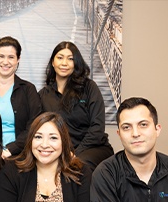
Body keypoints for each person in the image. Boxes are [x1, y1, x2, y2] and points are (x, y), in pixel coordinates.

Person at [39, 41, 113, 171]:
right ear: (53, 62)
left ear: (76, 63)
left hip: (92, 148)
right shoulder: (43, 95)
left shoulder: (89, 87)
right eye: (60, 58)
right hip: (59, 150)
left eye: (70, 59)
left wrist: (76, 153)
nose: (64, 63)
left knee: (79, 165)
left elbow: (97, 127)